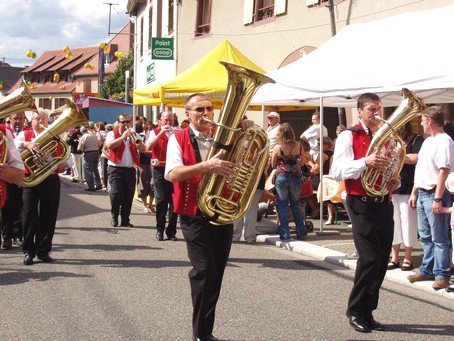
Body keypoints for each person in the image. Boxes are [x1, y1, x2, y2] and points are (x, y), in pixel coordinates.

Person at [165, 93, 255, 341]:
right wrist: (206, 166)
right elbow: (173, 174)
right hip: (193, 214)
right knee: (204, 271)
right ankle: (200, 334)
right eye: (198, 110)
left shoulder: (225, 136)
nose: (205, 114)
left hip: (222, 212)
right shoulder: (177, 138)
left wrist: (247, 130)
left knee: (217, 272)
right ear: (188, 114)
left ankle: (206, 331)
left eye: (209, 108)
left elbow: (251, 157)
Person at [331, 93, 400, 333]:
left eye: (379, 109)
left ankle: (368, 312)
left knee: (381, 259)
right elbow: (337, 170)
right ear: (359, 111)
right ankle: (355, 310)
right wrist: (365, 163)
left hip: (382, 201)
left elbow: (391, 168)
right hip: (360, 201)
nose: (377, 114)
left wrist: (393, 181)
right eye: (372, 109)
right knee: (369, 258)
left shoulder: (385, 136)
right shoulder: (349, 135)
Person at [408, 106, 454, 290]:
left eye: (423, 120)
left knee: (439, 237)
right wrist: (414, 192)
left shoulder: (445, 141)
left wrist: (437, 198)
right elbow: (421, 168)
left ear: (431, 121)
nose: (421, 123)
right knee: (426, 235)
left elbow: (444, 170)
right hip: (423, 192)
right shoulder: (428, 142)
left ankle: (442, 273)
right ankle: (427, 269)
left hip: (434, 193)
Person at [15, 109, 68, 265]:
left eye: (43, 120)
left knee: (49, 215)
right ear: (31, 122)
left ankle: (43, 250)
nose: (40, 122)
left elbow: (66, 158)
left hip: (50, 178)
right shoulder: (25, 135)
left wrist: (64, 163)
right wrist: (27, 144)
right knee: (29, 214)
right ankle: (28, 251)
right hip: (31, 179)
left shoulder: (55, 137)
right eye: (37, 119)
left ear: (47, 122)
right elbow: (15, 145)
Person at [387, 122, 423, 271]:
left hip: (408, 187)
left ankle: (408, 256)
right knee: (394, 223)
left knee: (408, 223)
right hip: (393, 187)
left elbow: (416, 158)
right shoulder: (394, 142)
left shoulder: (417, 140)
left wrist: (398, 156)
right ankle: (394, 256)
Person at [105, 113, 145, 228]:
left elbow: (143, 149)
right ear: (118, 123)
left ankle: (125, 220)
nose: (126, 124)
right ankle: (114, 216)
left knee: (128, 195)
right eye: (123, 122)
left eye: (128, 122)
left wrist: (137, 143)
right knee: (117, 194)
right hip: (115, 168)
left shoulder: (135, 134)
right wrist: (122, 138)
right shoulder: (112, 134)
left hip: (130, 169)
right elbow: (109, 146)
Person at [271, 123, 308, 241]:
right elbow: (302, 163)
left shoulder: (278, 148)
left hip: (282, 177)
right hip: (296, 177)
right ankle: (301, 231)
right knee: (295, 204)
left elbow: (272, 164)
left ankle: (285, 233)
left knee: (282, 205)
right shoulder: (299, 146)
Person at [146, 110, 178, 241]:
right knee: (161, 201)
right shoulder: (154, 132)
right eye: (165, 120)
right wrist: (160, 133)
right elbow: (148, 148)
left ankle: (171, 231)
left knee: (175, 202)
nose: (168, 123)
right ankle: (159, 229)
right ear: (160, 121)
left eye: (170, 120)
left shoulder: (179, 131)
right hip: (160, 169)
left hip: (176, 170)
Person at [1, 112, 27, 249]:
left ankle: (13, 235)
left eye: (21, 118)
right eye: (15, 118)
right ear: (10, 119)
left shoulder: (6, 132)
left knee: (14, 206)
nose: (18, 121)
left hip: (10, 175)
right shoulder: (7, 131)